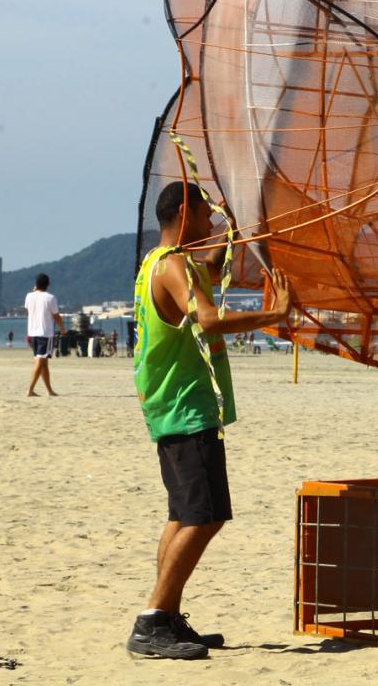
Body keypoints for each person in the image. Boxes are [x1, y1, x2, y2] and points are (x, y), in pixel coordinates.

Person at [125, 181, 300, 660]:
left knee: (182, 515)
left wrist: (227, 236)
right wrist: (274, 314)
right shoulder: (174, 265)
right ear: (184, 212)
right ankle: (151, 621)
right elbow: (206, 319)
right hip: (185, 407)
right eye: (205, 213)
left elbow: (207, 271)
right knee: (206, 516)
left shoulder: (156, 262)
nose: (210, 221)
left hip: (171, 406)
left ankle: (167, 617)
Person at [24, 273, 65, 397]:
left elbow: (28, 309)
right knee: (40, 362)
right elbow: (56, 316)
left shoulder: (29, 296)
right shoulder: (50, 298)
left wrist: (33, 292)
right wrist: (62, 328)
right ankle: (30, 390)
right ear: (48, 284)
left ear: (36, 284)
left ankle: (49, 390)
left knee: (43, 362)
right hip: (45, 334)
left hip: (32, 334)